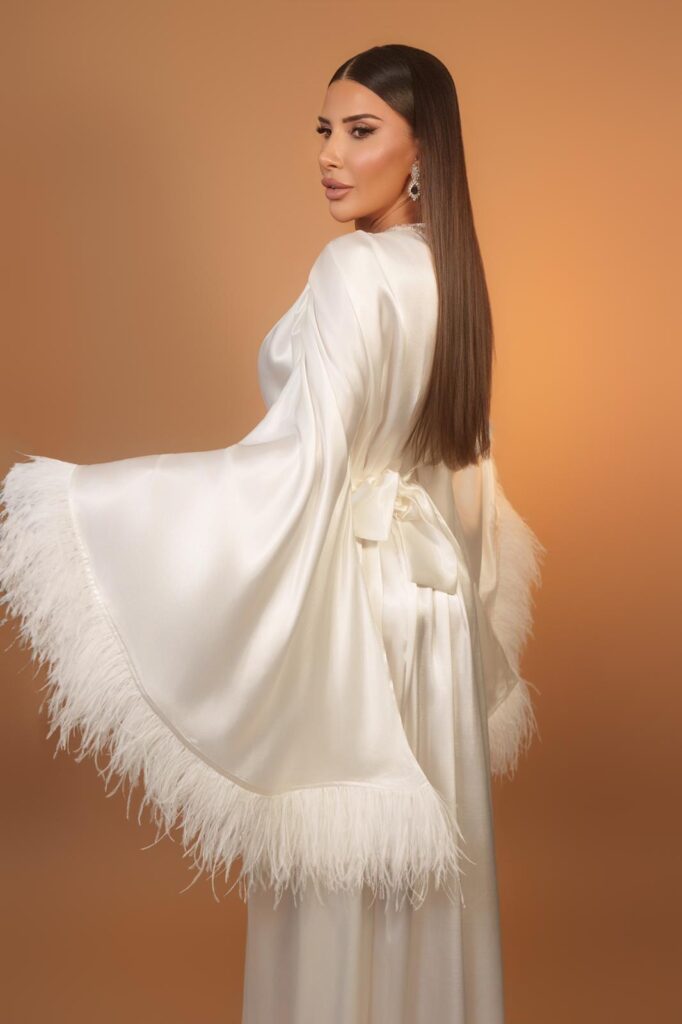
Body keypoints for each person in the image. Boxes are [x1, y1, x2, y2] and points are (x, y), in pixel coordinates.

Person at [0, 43, 545, 1024]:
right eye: (324, 130)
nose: (330, 154)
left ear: (423, 151)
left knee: (339, 876)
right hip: (434, 621)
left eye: (361, 131)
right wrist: (460, 610)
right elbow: (464, 476)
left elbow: (306, 470)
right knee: (430, 885)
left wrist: (90, 502)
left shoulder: (352, 268)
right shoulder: (452, 275)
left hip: (358, 620)